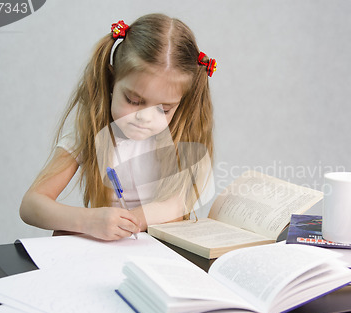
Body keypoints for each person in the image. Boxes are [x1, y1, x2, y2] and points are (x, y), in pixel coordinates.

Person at [20, 14, 216, 241]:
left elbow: (173, 207)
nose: (145, 118)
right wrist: (88, 221)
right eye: (134, 101)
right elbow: (31, 205)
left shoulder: (181, 137)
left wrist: (127, 221)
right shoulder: (88, 130)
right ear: (113, 82)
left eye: (164, 109)